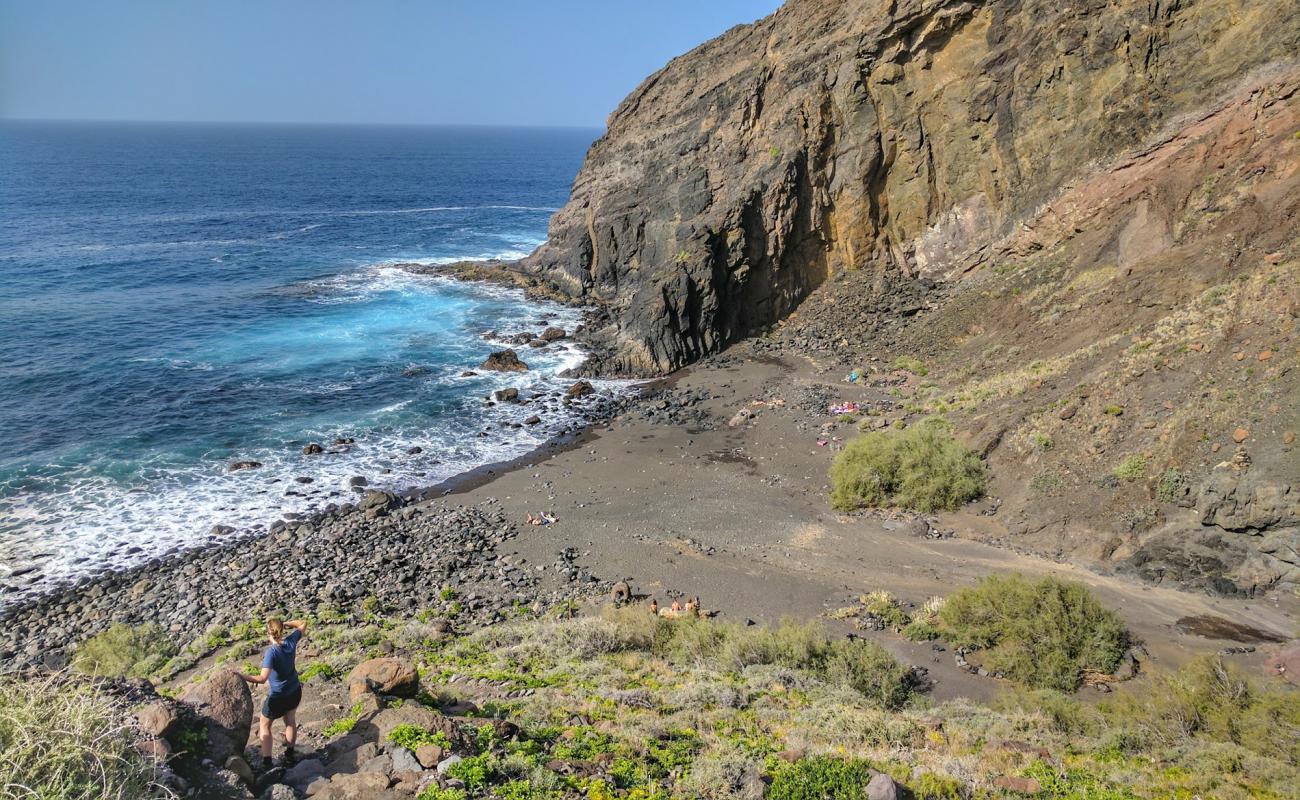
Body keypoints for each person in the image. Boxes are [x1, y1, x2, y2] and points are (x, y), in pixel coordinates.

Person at [241, 617, 307, 767]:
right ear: (281, 631)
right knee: (290, 721)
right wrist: (286, 624)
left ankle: (267, 761)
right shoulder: (290, 642)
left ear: (268, 633)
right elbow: (303, 623)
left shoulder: (271, 653)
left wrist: (241, 676)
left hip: (278, 696)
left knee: (264, 725)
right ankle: (289, 754)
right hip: (294, 690)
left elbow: (262, 678)